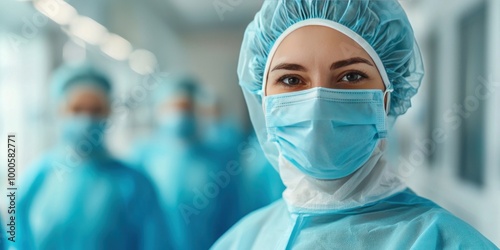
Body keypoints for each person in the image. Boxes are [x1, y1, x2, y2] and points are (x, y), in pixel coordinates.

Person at [212, 0, 498, 249]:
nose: (317, 103)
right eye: (291, 80)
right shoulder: (242, 240)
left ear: (389, 96)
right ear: (263, 100)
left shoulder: (443, 241)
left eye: (350, 76)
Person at [17, 63, 170, 250]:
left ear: (108, 114)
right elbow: (17, 240)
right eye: (77, 109)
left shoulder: (134, 184)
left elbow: (156, 243)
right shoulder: (37, 178)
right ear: (60, 111)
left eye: (96, 110)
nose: (87, 118)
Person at [129, 74, 234, 249]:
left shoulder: (218, 162)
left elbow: (232, 215)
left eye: (185, 107)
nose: (179, 114)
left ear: (196, 110)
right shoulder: (143, 156)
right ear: (159, 109)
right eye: (172, 107)